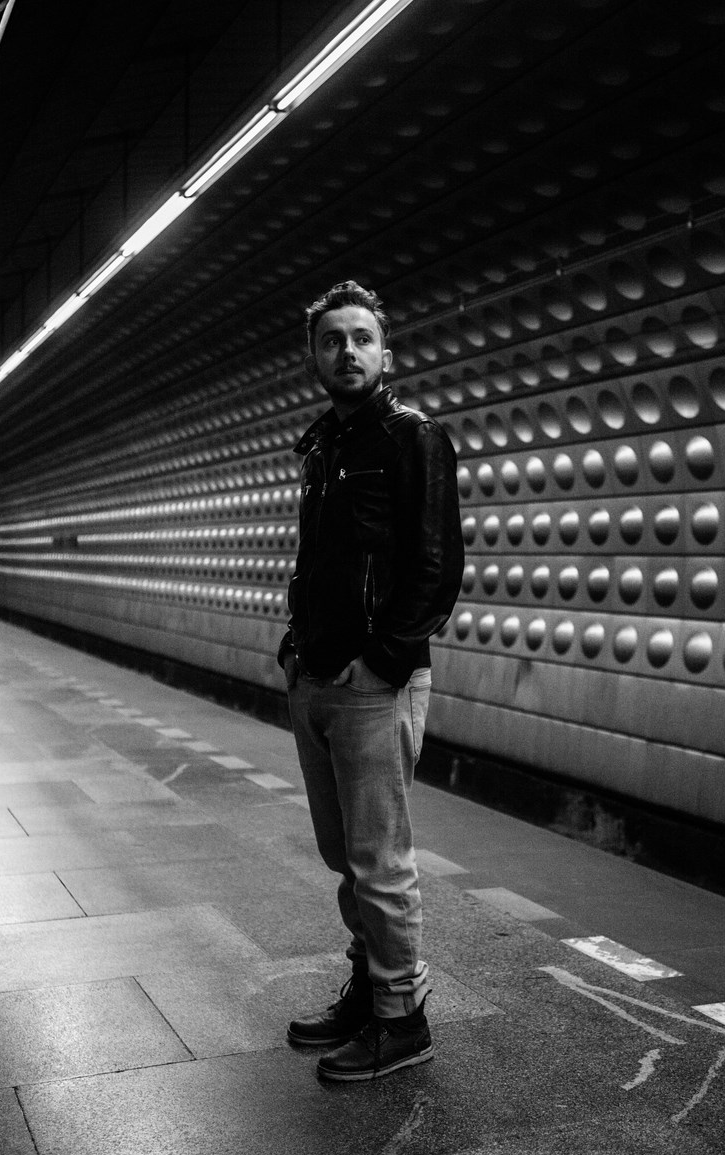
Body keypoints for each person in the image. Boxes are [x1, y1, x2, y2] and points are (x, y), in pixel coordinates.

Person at [278, 280, 464, 1082]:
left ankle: (401, 1020)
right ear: (314, 357)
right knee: (345, 856)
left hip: (372, 682)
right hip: (316, 675)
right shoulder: (323, 445)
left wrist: (385, 658)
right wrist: (295, 646)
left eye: (361, 338)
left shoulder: (412, 437)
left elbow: (437, 565)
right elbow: (318, 559)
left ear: (385, 353)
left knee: (380, 862)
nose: (347, 351)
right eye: (332, 340)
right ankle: (369, 991)